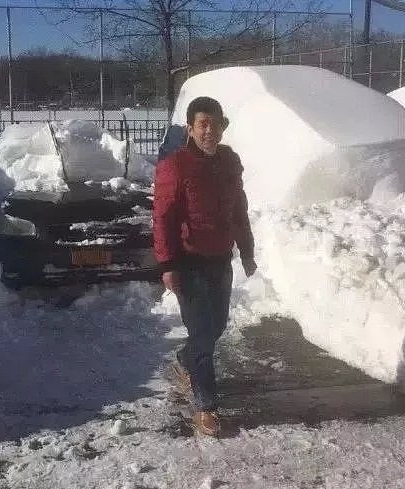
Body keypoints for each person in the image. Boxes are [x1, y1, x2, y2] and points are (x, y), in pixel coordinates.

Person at [153, 96, 257, 437]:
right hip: (189, 263)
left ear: (223, 125)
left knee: (217, 327)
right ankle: (205, 405)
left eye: (214, 123)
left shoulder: (229, 161)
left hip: (220, 260)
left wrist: (246, 249)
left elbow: (238, 209)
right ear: (191, 128)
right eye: (202, 124)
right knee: (202, 334)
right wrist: (168, 264)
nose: (209, 130)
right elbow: (163, 218)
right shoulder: (175, 166)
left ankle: (186, 360)